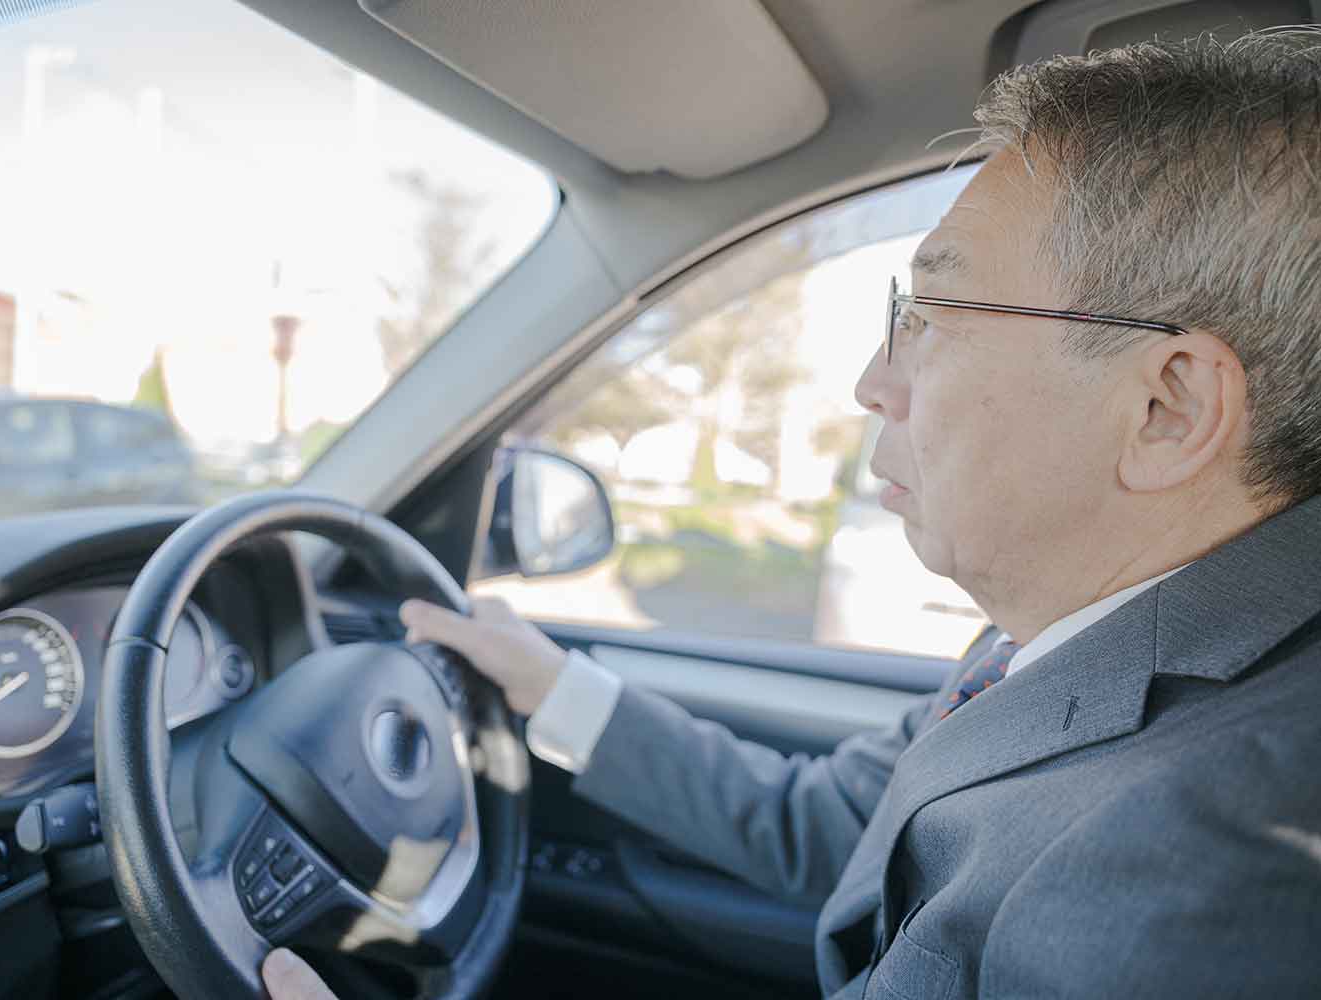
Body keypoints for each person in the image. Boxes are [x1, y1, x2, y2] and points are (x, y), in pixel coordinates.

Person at [267, 29, 1321, 999]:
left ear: (1165, 407)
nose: (874, 379)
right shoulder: (1063, 625)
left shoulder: (1220, 867)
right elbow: (839, 830)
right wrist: (552, 685)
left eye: (934, 315)